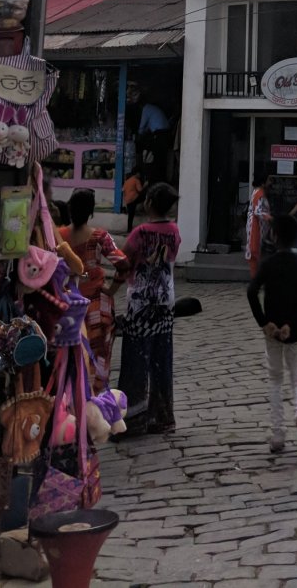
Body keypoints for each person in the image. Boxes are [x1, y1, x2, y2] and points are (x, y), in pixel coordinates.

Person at [246, 214, 297, 456]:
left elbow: (252, 292)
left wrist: (264, 322)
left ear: (274, 236)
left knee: (275, 379)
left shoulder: (268, 264)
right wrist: (292, 322)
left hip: (273, 330)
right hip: (295, 329)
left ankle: (277, 434)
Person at [117, 182, 180, 436]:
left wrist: (112, 286)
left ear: (150, 203)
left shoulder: (140, 233)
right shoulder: (174, 231)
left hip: (140, 303)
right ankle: (162, 416)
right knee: (161, 359)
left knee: (135, 360)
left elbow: (123, 261)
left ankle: (133, 420)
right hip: (165, 302)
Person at [58, 188, 128, 390]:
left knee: (70, 353)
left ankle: (72, 395)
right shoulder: (100, 237)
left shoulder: (59, 237)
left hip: (67, 303)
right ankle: (96, 397)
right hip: (97, 304)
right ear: (91, 212)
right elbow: (123, 264)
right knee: (99, 355)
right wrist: (112, 289)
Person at [245, 171, 274, 279]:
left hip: (258, 225)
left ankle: (257, 277)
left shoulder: (258, 192)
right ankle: (255, 278)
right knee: (254, 251)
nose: (270, 182)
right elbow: (258, 211)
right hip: (256, 226)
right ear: (263, 182)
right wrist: (270, 218)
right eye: (268, 180)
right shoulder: (259, 193)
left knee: (256, 251)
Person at [122, 166, 145, 232]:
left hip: (127, 200)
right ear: (137, 173)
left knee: (130, 215)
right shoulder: (136, 180)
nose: (140, 175)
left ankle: (129, 229)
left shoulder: (127, 181)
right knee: (145, 195)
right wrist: (145, 185)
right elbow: (140, 190)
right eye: (140, 174)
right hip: (134, 199)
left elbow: (123, 190)